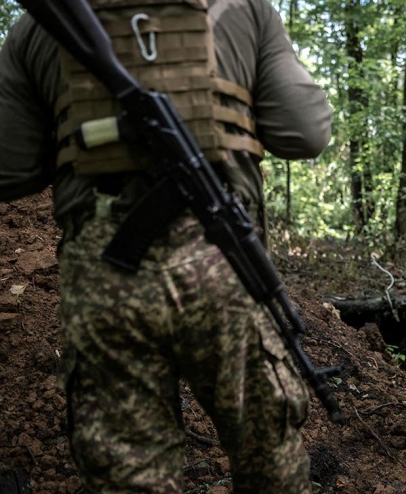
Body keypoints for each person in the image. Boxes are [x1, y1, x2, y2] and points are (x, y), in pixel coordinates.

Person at [0, 0, 332, 492]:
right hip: (225, 271)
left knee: (128, 470)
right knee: (270, 461)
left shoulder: (39, 26)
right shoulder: (246, 8)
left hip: (105, 280)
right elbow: (304, 133)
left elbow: (10, 166)